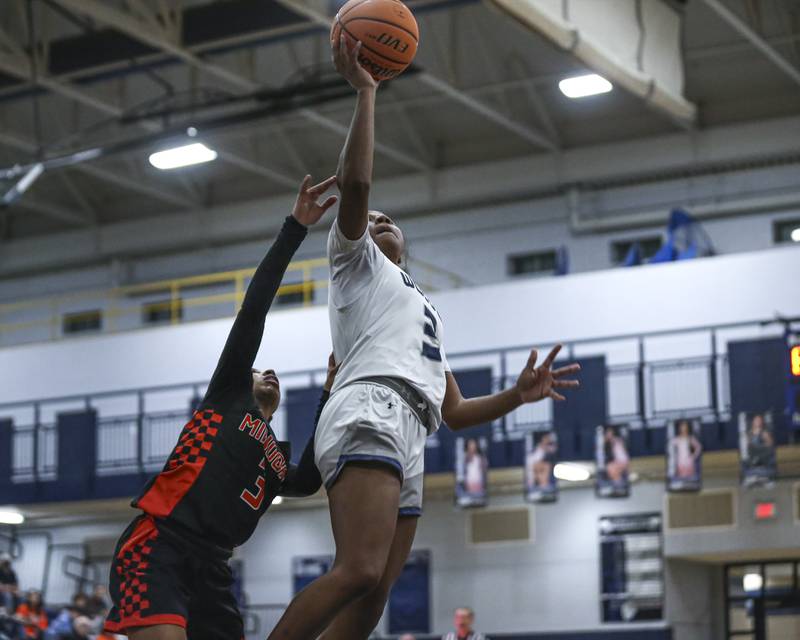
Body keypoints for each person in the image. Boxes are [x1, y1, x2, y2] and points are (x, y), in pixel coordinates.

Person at [266, 36, 580, 640]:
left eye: (391, 220)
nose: (380, 219)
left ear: (407, 245)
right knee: (356, 569)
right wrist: (365, 92)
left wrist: (518, 395)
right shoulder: (356, 264)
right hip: (369, 406)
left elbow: (455, 410)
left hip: (413, 425)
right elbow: (356, 189)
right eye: (375, 219)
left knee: (375, 593)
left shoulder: (423, 308)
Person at [103, 175, 340, 639]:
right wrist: (295, 228)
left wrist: (330, 393)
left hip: (213, 568)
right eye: (259, 370)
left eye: (274, 375)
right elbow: (254, 311)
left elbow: (310, 478)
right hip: (160, 546)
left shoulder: (275, 459)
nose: (268, 373)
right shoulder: (227, 394)